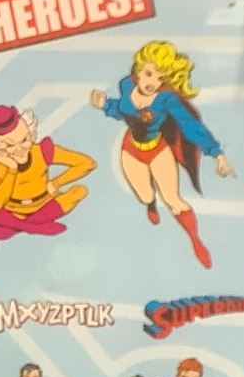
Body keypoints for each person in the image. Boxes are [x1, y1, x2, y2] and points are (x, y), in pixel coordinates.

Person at [91, 40, 233, 267]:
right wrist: (105, 105)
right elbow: (122, 110)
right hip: (132, 150)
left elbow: (191, 126)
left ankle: (195, 241)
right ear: (139, 70)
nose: (152, 83)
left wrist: (217, 154)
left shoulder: (166, 99)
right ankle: (150, 205)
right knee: (146, 195)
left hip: (158, 149)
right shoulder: (126, 85)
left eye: (160, 78)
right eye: (149, 74)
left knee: (173, 200)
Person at [0, 105, 96, 240]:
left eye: (24, 140)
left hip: (44, 205)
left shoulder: (43, 151)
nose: (20, 149)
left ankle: (12, 226)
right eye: (9, 145)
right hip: (11, 211)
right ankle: (34, 227)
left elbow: (88, 163)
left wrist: (57, 182)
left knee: (80, 191)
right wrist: (12, 171)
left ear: (31, 134)